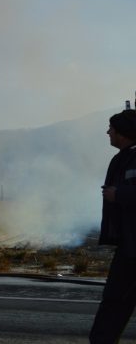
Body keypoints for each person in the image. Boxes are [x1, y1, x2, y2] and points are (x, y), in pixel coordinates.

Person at [90, 109, 136, 343]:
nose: (108, 132)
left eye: (112, 129)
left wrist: (119, 194)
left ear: (124, 133)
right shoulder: (125, 157)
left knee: (114, 306)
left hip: (132, 249)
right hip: (129, 246)